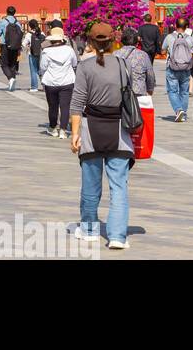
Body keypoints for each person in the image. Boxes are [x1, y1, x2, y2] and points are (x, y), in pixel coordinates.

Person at [68, 22, 134, 250]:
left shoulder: (85, 67)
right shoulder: (122, 64)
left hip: (91, 129)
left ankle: (88, 230)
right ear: (113, 40)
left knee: (90, 185)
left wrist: (74, 133)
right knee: (119, 187)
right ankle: (117, 235)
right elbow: (129, 94)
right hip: (119, 130)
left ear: (91, 42)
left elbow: (77, 102)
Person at [39, 27, 77, 138]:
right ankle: (63, 131)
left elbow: (43, 67)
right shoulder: (69, 50)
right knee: (65, 106)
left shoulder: (46, 51)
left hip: (51, 82)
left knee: (52, 106)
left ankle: (53, 127)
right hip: (67, 81)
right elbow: (74, 63)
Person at [162, 17, 193, 121]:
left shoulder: (169, 37)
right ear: (186, 27)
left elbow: (162, 51)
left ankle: (179, 110)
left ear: (175, 26)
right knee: (184, 92)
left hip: (172, 67)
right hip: (186, 68)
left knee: (172, 91)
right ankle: (183, 113)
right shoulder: (189, 38)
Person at [115, 29, 156, 100]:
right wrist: (150, 89)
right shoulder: (143, 55)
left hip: (119, 91)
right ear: (136, 42)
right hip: (139, 91)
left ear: (122, 41)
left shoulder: (115, 54)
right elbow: (150, 74)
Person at [0, 6, 24, 91]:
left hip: (5, 45)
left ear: (6, 12)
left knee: (4, 64)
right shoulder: (17, 23)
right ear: (14, 13)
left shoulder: (3, 21)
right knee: (13, 64)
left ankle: (10, 78)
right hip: (15, 46)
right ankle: (12, 84)